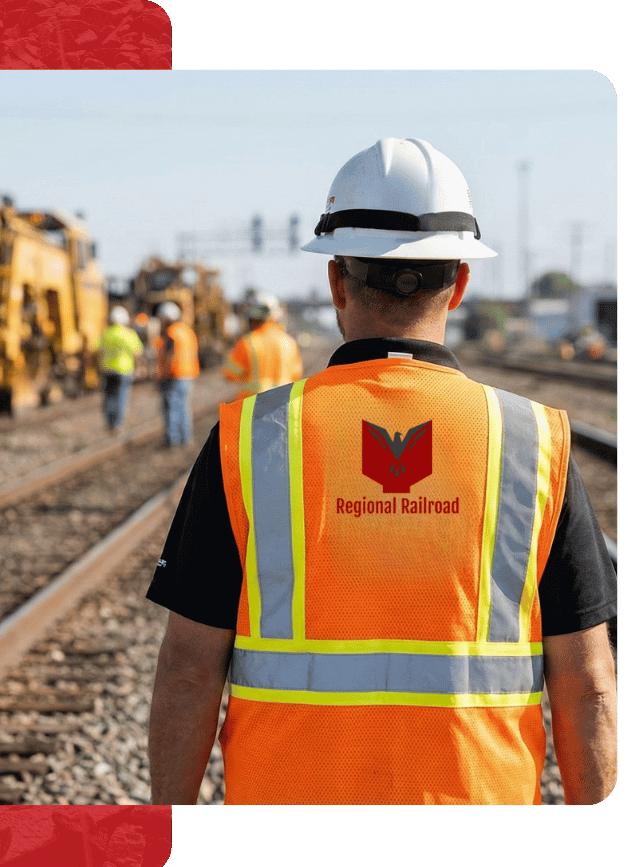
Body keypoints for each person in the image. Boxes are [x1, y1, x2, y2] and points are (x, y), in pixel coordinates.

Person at [147, 138, 617, 805]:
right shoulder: (535, 442)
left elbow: (189, 670)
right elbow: (588, 682)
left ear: (337, 280)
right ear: (459, 283)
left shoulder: (248, 442)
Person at [221, 294, 303, 401]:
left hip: (254, 408)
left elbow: (230, 373)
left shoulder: (247, 342)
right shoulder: (289, 342)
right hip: (285, 406)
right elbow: (296, 374)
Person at [152, 301, 200, 447]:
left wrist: (161, 375)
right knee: (184, 407)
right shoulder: (187, 331)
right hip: (188, 375)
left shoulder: (172, 333)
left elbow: (169, 357)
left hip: (174, 376)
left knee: (172, 408)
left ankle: (172, 440)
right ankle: (186, 438)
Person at [97, 304, 144, 433]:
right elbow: (137, 353)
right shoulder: (128, 334)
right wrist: (140, 368)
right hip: (123, 370)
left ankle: (109, 422)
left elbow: (99, 352)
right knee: (121, 397)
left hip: (107, 370)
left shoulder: (106, 334)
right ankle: (118, 424)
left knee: (109, 397)